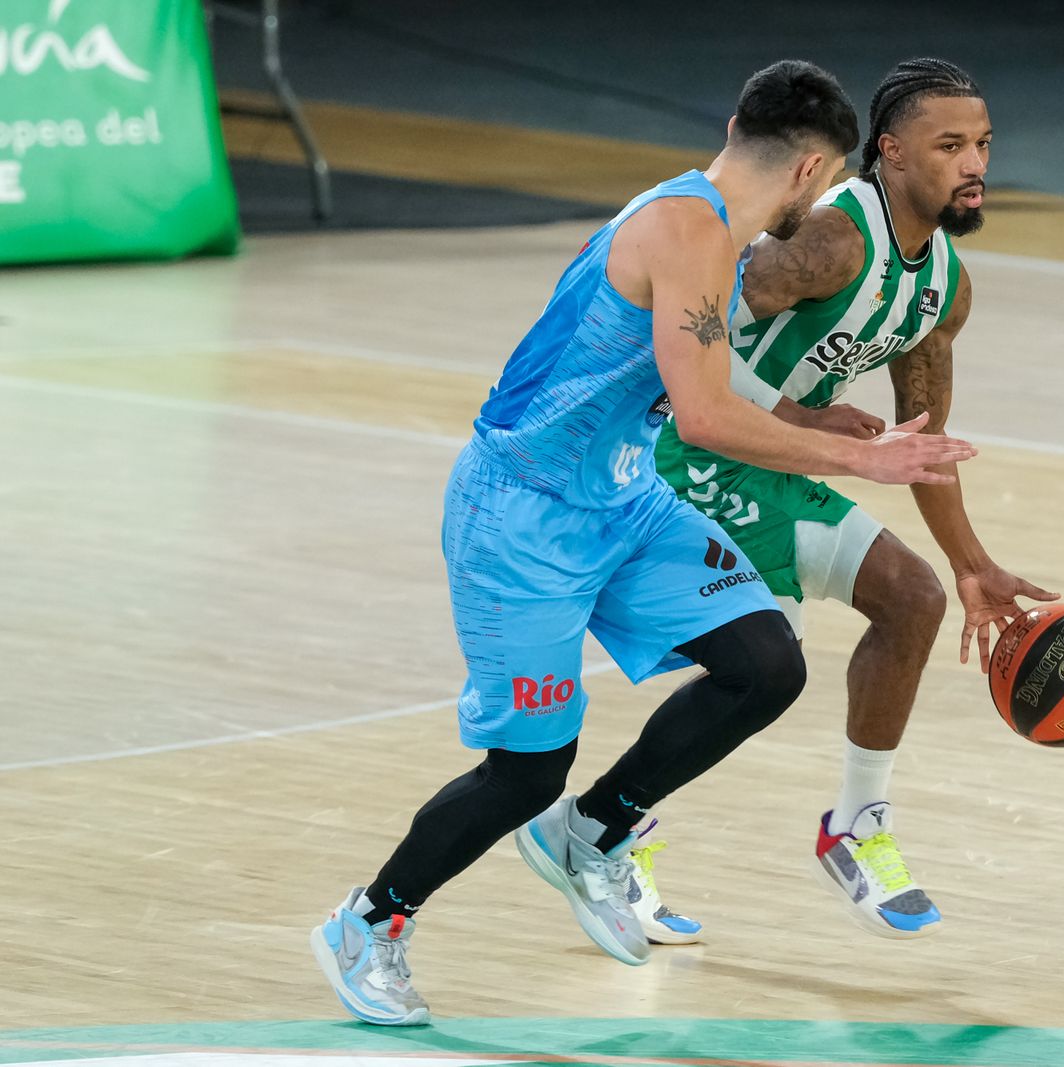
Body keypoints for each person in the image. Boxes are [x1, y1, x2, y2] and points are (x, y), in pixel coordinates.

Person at [309, 59, 977, 1027]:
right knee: (525, 768)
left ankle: (595, 831)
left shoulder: (701, 219)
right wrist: (857, 461)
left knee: (761, 662)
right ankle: (368, 923)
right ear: (812, 172)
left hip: (620, 497)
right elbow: (704, 415)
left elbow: (700, 382)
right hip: (522, 516)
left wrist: (803, 419)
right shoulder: (688, 234)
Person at [645, 58, 1055, 942]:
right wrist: (790, 411)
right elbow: (696, 316)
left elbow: (923, 446)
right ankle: (608, 826)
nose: (975, 162)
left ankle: (854, 827)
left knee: (915, 599)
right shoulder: (835, 242)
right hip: (692, 446)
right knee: (761, 664)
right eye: (951, 145)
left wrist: (973, 564)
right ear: (892, 154)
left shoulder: (945, 285)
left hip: (775, 459)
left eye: (983, 143)